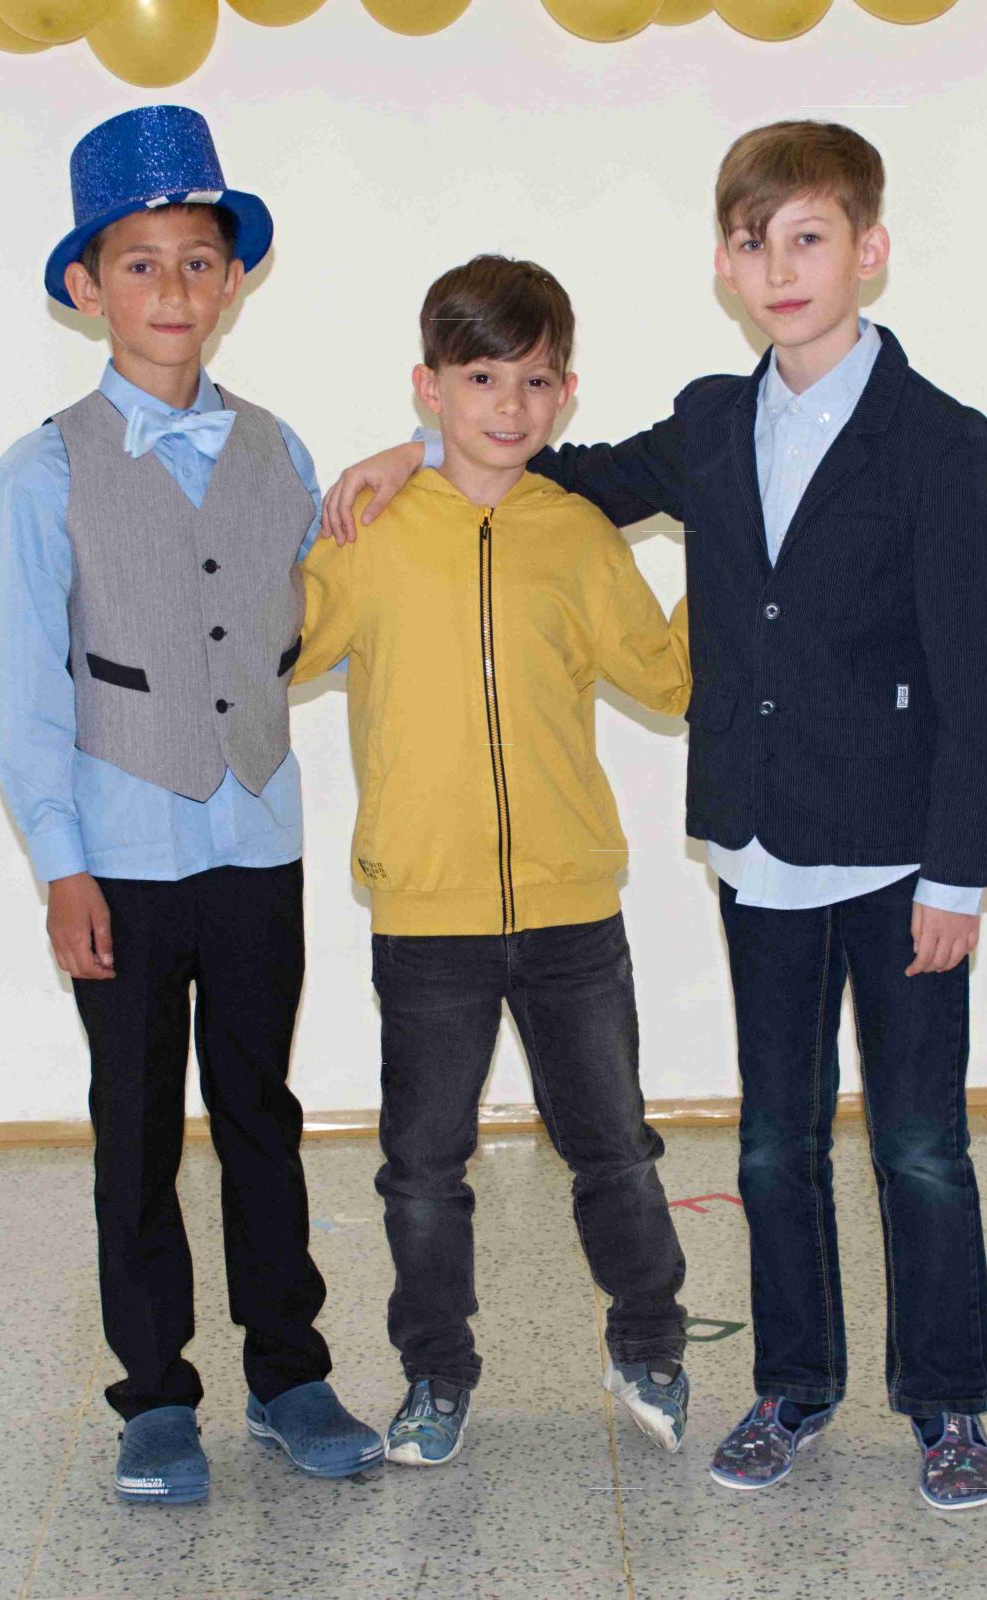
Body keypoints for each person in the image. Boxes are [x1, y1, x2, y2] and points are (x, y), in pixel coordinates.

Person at [319, 122, 987, 1511]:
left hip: (899, 858)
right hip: (759, 848)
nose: (782, 267)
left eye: (809, 238)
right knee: (772, 1145)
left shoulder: (943, 441)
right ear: (725, 267)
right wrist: (412, 450)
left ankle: (947, 1404)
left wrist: (960, 874)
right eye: (755, 243)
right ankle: (793, 1388)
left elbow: (976, 679)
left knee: (921, 1144)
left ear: (869, 250)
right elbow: (552, 470)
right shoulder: (710, 421)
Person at [0, 105, 382, 1505]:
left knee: (261, 1109)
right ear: (87, 286)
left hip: (256, 837)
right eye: (140, 263)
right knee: (137, 1128)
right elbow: (27, 694)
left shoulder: (278, 449)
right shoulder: (39, 474)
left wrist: (408, 459)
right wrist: (61, 864)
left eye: (198, 261)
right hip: (122, 854)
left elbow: (320, 609)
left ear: (233, 281)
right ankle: (154, 1395)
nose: (172, 288)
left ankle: (290, 1372)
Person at [294, 254, 692, 1467]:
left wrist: (740, 560)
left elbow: (667, 680)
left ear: (565, 394)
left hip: (572, 912)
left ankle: (650, 1341)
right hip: (426, 916)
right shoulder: (370, 531)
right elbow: (278, 646)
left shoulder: (575, 535)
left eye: (534, 381)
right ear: (430, 387)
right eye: (480, 378)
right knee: (422, 1169)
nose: (508, 405)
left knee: (615, 1147)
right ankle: (436, 1372)